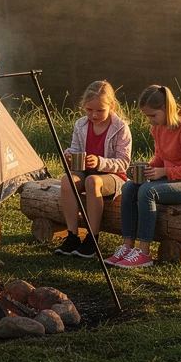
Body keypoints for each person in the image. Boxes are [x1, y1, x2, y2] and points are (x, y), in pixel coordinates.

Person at [108, 84, 181, 269]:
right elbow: (161, 157)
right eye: (147, 116)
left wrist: (164, 172)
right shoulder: (158, 127)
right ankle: (127, 246)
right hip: (171, 180)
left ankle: (144, 252)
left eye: (152, 115)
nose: (150, 120)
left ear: (165, 109)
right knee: (129, 187)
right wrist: (149, 167)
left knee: (147, 191)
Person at [54, 80, 132, 259]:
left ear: (111, 106)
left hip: (113, 177)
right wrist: (69, 155)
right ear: (83, 106)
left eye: (100, 111)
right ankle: (72, 235)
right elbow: (75, 149)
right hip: (87, 171)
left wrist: (99, 162)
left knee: (92, 181)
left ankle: (92, 238)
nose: (94, 115)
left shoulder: (120, 128)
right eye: (89, 110)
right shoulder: (81, 125)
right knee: (67, 179)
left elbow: (123, 163)